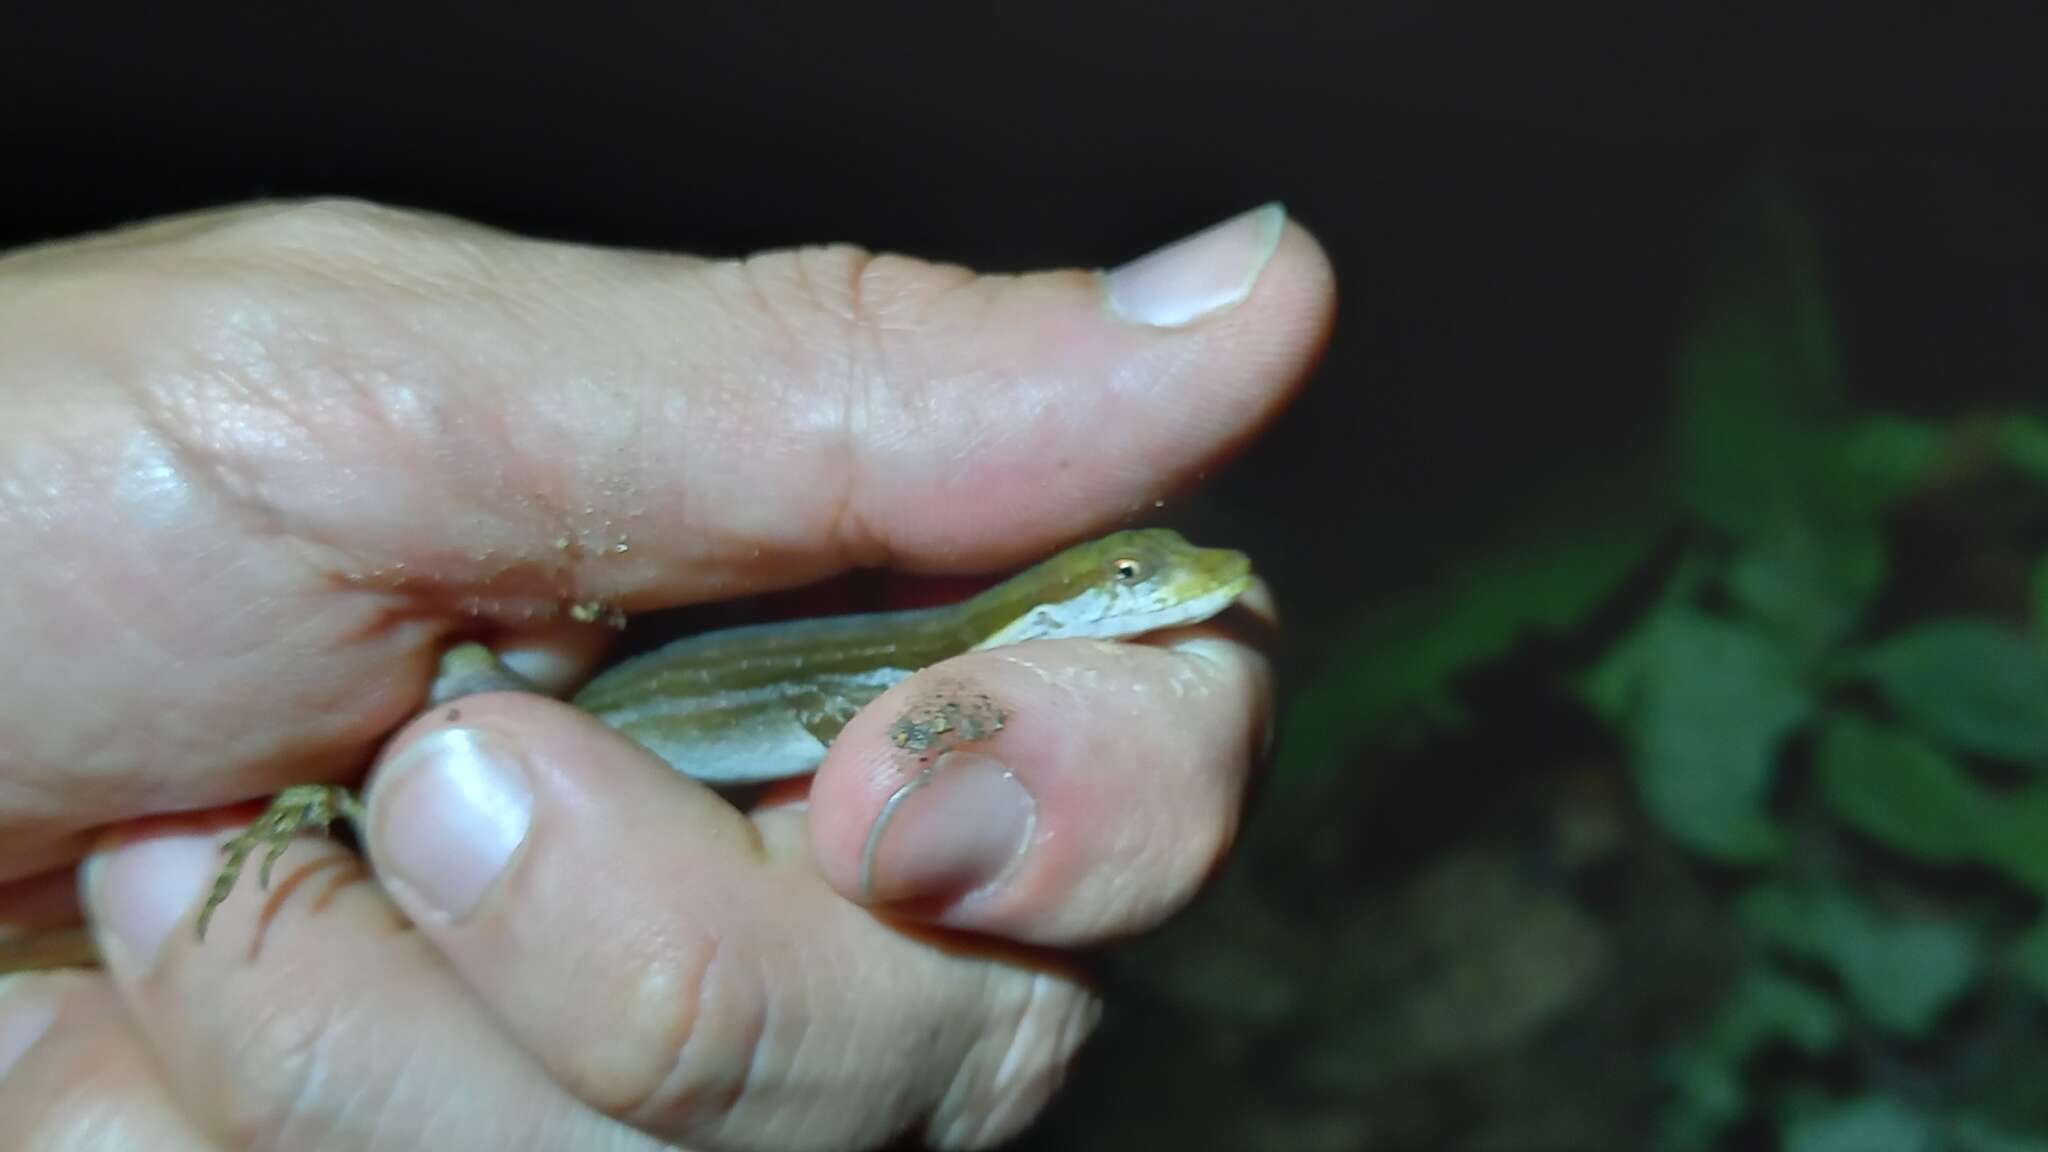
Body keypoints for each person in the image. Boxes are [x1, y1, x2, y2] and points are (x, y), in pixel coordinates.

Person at [0, 198, 1335, 1150]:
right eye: (1125, 582)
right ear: (1058, 607)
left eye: (1140, 578)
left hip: (527, 763)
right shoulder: (923, 671)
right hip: (518, 734)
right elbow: (856, 737)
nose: (1172, 589)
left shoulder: (932, 667)